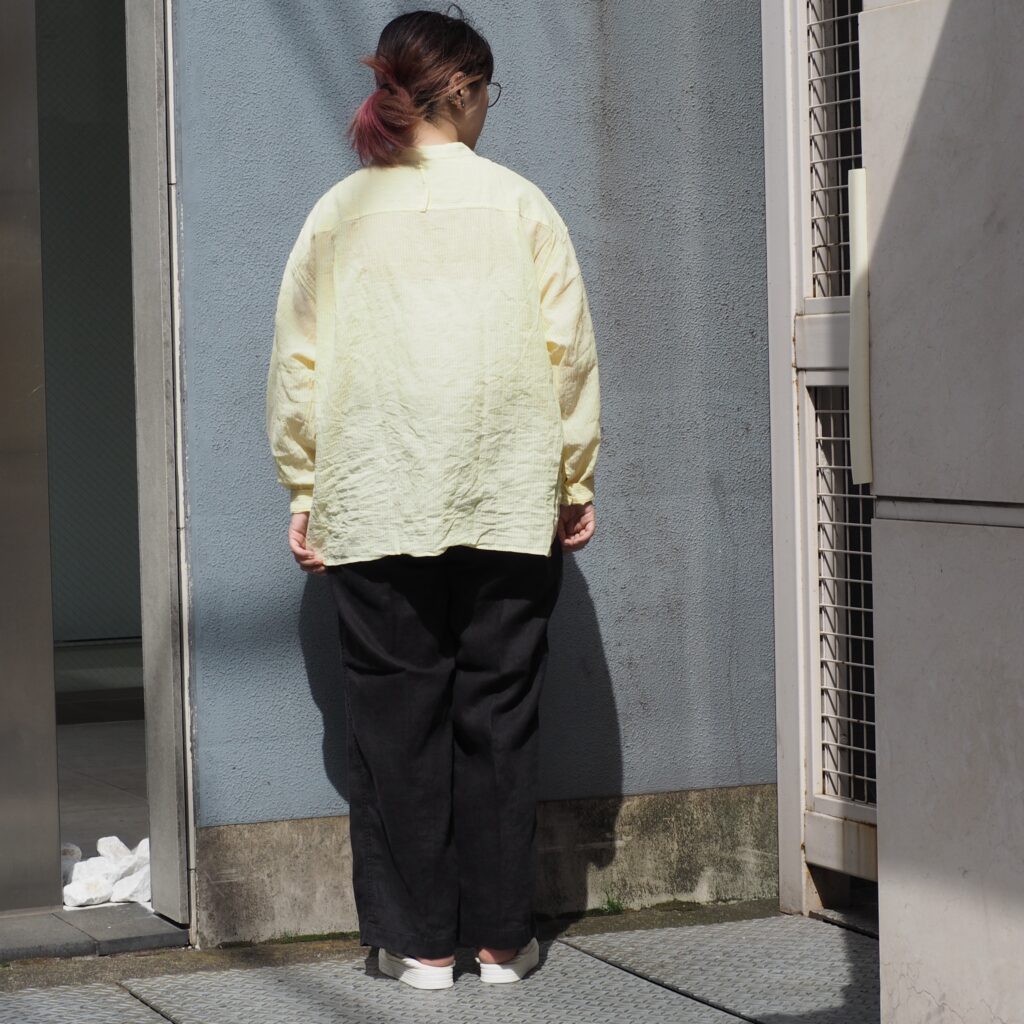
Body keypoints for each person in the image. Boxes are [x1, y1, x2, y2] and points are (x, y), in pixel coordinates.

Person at [265, 4, 601, 992]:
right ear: (462, 90)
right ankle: (499, 942)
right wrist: (573, 477)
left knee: (394, 723)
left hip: (373, 497)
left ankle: (418, 946)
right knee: (499, 713)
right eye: (489, 91)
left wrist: (305, 486)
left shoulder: (339, 212)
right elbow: (568, 354)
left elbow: (296, 363)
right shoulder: (521, 206)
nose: (491, 107)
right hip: (507, 495)